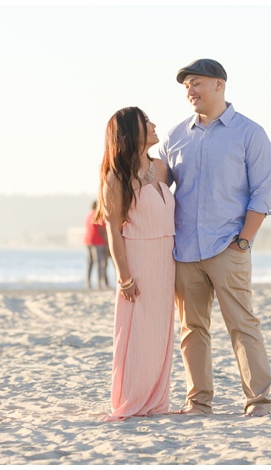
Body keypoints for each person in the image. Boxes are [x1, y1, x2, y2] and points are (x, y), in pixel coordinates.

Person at [158, 59, 271, 418]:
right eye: (186, 87)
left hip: (228, 246)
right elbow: (157, 187)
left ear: (219, 85)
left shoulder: (249, 133)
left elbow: (263, 193)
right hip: (184, 251)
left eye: (196, 83)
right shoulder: (175, 136)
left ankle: (258, 401)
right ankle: (198, 402)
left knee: (242, 324)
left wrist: (242, 242)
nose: (190, 91)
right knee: (192, 329)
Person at [94, 107, 176, 421]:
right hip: (139, 260)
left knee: (161, 331)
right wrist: (124, 277)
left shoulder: (162, 168)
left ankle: (156, 399)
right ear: (130, 133)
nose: (154, 125)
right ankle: (132, 398)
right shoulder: (116, 177)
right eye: (146, 122)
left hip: (166, 259)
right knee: (138, 331)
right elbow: (113, 231)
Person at [84, 201, 109, 289]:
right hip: (98, 242)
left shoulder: (89, 215)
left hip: (88, 241)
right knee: (99, 263)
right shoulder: (98, 215)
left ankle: (88, 283)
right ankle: (99, 283)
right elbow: (101, 230)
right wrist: (107, 243)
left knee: (90, 263)